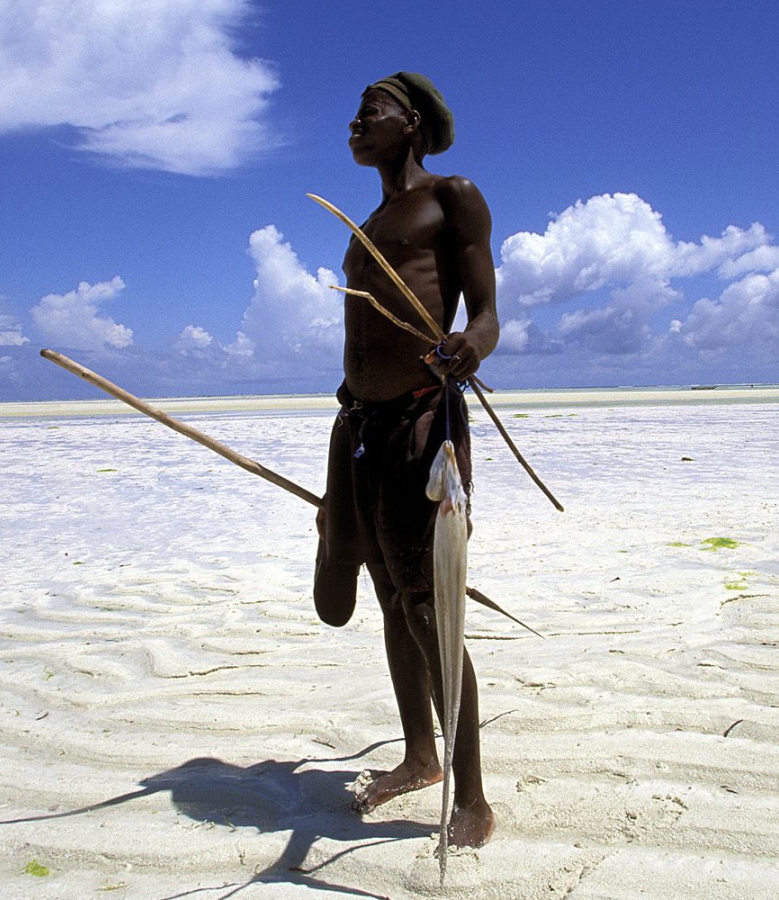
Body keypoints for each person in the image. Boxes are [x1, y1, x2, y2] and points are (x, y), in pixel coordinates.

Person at [312, 72, 498, 848]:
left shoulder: (452, 196)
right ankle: (420, 754)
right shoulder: (369, 222)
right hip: (363, 427)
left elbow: (486, 316)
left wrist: (470, 345)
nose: (355, 124)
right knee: (386, 595)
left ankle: (474, 799)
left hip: (426, 421)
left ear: (410, 122)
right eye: (353, 114)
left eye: (371, 113)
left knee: (430, 603)